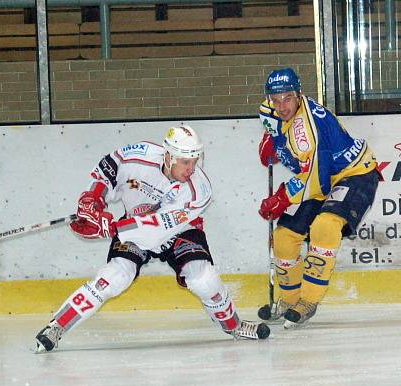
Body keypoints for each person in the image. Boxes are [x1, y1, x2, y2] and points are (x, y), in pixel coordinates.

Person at [34, 125, 270, 353]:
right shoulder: (140, 156)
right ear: (168, 156)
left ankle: (235, 326)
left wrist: (109, 227)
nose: (191, 168)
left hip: (180, 230)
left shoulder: (199, 189)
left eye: (195, 161)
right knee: (114, 277)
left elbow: (158, 227)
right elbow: (108, 168)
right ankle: (57, 326)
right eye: (185, 162)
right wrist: (92, 199)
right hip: (133, 228)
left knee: (203, 279)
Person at [256, 67, 379, 328]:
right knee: (284, 235)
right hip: (323, 177)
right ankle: (289, 300)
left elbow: (315, 180)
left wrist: (282, 197)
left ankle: (309, 301)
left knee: (325, 224)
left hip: (355, 173)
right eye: (275, 99)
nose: (281, 106)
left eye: (287, 98)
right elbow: (277, 132)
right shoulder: (270, 109)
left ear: (299, 95)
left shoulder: (306, 128)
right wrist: (274, 142)